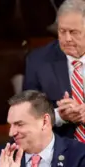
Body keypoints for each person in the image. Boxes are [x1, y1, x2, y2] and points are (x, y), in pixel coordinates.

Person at [23, 0, 85, 141]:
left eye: (74, 32)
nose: (67, 38)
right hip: (61, 151)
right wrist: (59, 116)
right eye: (62, 31)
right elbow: (27, 115)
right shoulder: (38, 62)